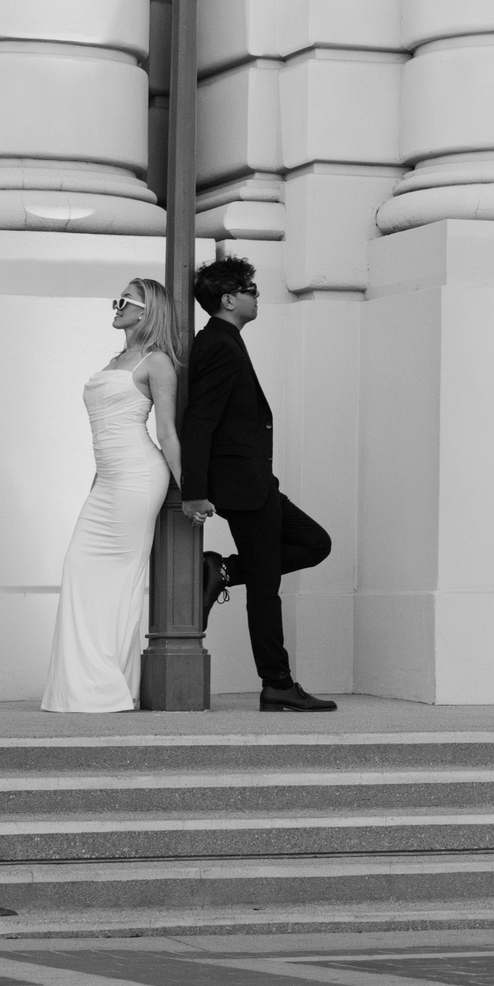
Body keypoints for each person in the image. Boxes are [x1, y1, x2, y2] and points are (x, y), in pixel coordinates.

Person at [182, 255, 338, 713]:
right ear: (229, 299)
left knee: (315, 543)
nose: (256, 295)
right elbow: (200, 420)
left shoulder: (224, 340)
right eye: (250, 289)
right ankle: (277, 683)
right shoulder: (219, 344)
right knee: (267, 589)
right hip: (242, 486)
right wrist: (194, 491)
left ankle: (224, 572)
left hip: (253, 482)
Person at [40, 278, 188, 713]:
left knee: (118, 583)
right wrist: (94, 487)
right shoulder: (116, 359)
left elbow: (166, 432)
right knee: (78, 568)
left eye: (125, 300)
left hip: (138, 478)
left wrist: (191, 491)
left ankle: (104, 687)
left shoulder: (157, 361)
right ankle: (89, 686)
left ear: (146, 311)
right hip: (106, 481)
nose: (117, 306)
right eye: (116, 300)